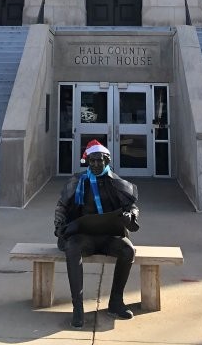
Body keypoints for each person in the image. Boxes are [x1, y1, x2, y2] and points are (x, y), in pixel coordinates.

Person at [54, 139, 140, 328]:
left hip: (109, 237)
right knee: (72, 247)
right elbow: (61, 206)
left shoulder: (116, 183)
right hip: (84, 237)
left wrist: (130, 215)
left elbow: (132, 207)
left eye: (99, 160)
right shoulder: (78, 181)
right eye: (91, 161)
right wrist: (59, 223)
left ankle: (116, 302)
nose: (95, 164)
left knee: (128, 251)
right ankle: (78, 307)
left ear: (107, 161)